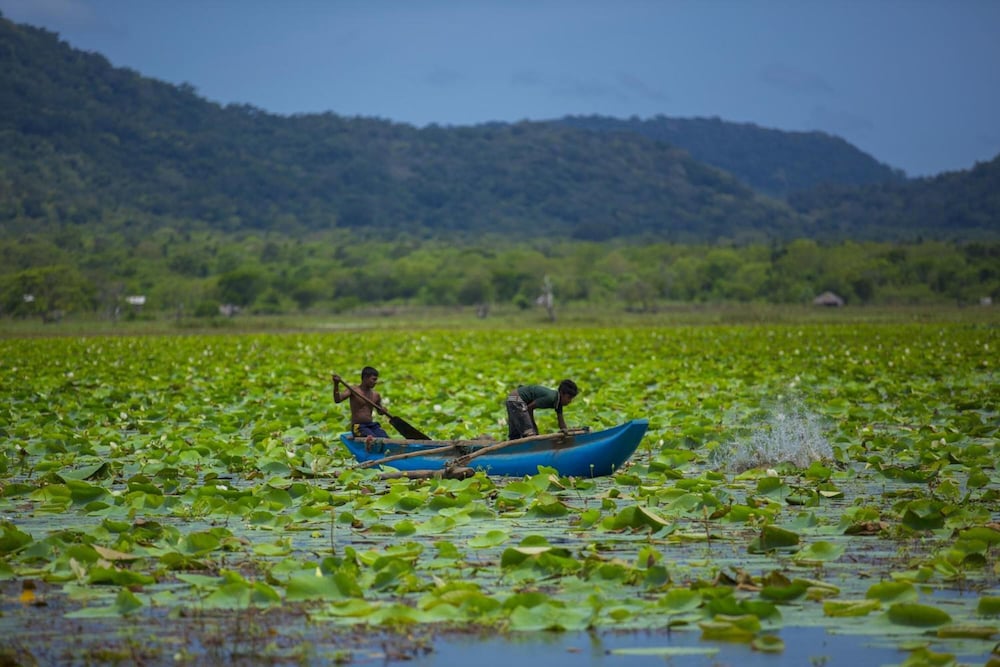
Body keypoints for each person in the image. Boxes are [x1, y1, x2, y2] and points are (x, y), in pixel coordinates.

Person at [505, 379, 579, 440]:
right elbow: (529, 408)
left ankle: (513, 446)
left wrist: (566, 432)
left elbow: (561, 422)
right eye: (569, 398)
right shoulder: (550, 398)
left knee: (515, 435)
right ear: (562, 393)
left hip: (514, 399)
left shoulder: (558, 403)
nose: (570, 401)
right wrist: (533, 426)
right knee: (529, 432)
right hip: (516, 399)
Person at [332, 366, 390, 440]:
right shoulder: (353, 390)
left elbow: (379, 411)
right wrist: (336, 384)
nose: (375, 382)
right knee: (373, 439)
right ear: (365, 378)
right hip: (358, 427)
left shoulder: (376, 395)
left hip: (371, 425)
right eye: (373, 379)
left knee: (386, 439)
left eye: (376, 379)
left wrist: (383, 411)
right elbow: (337, 400)